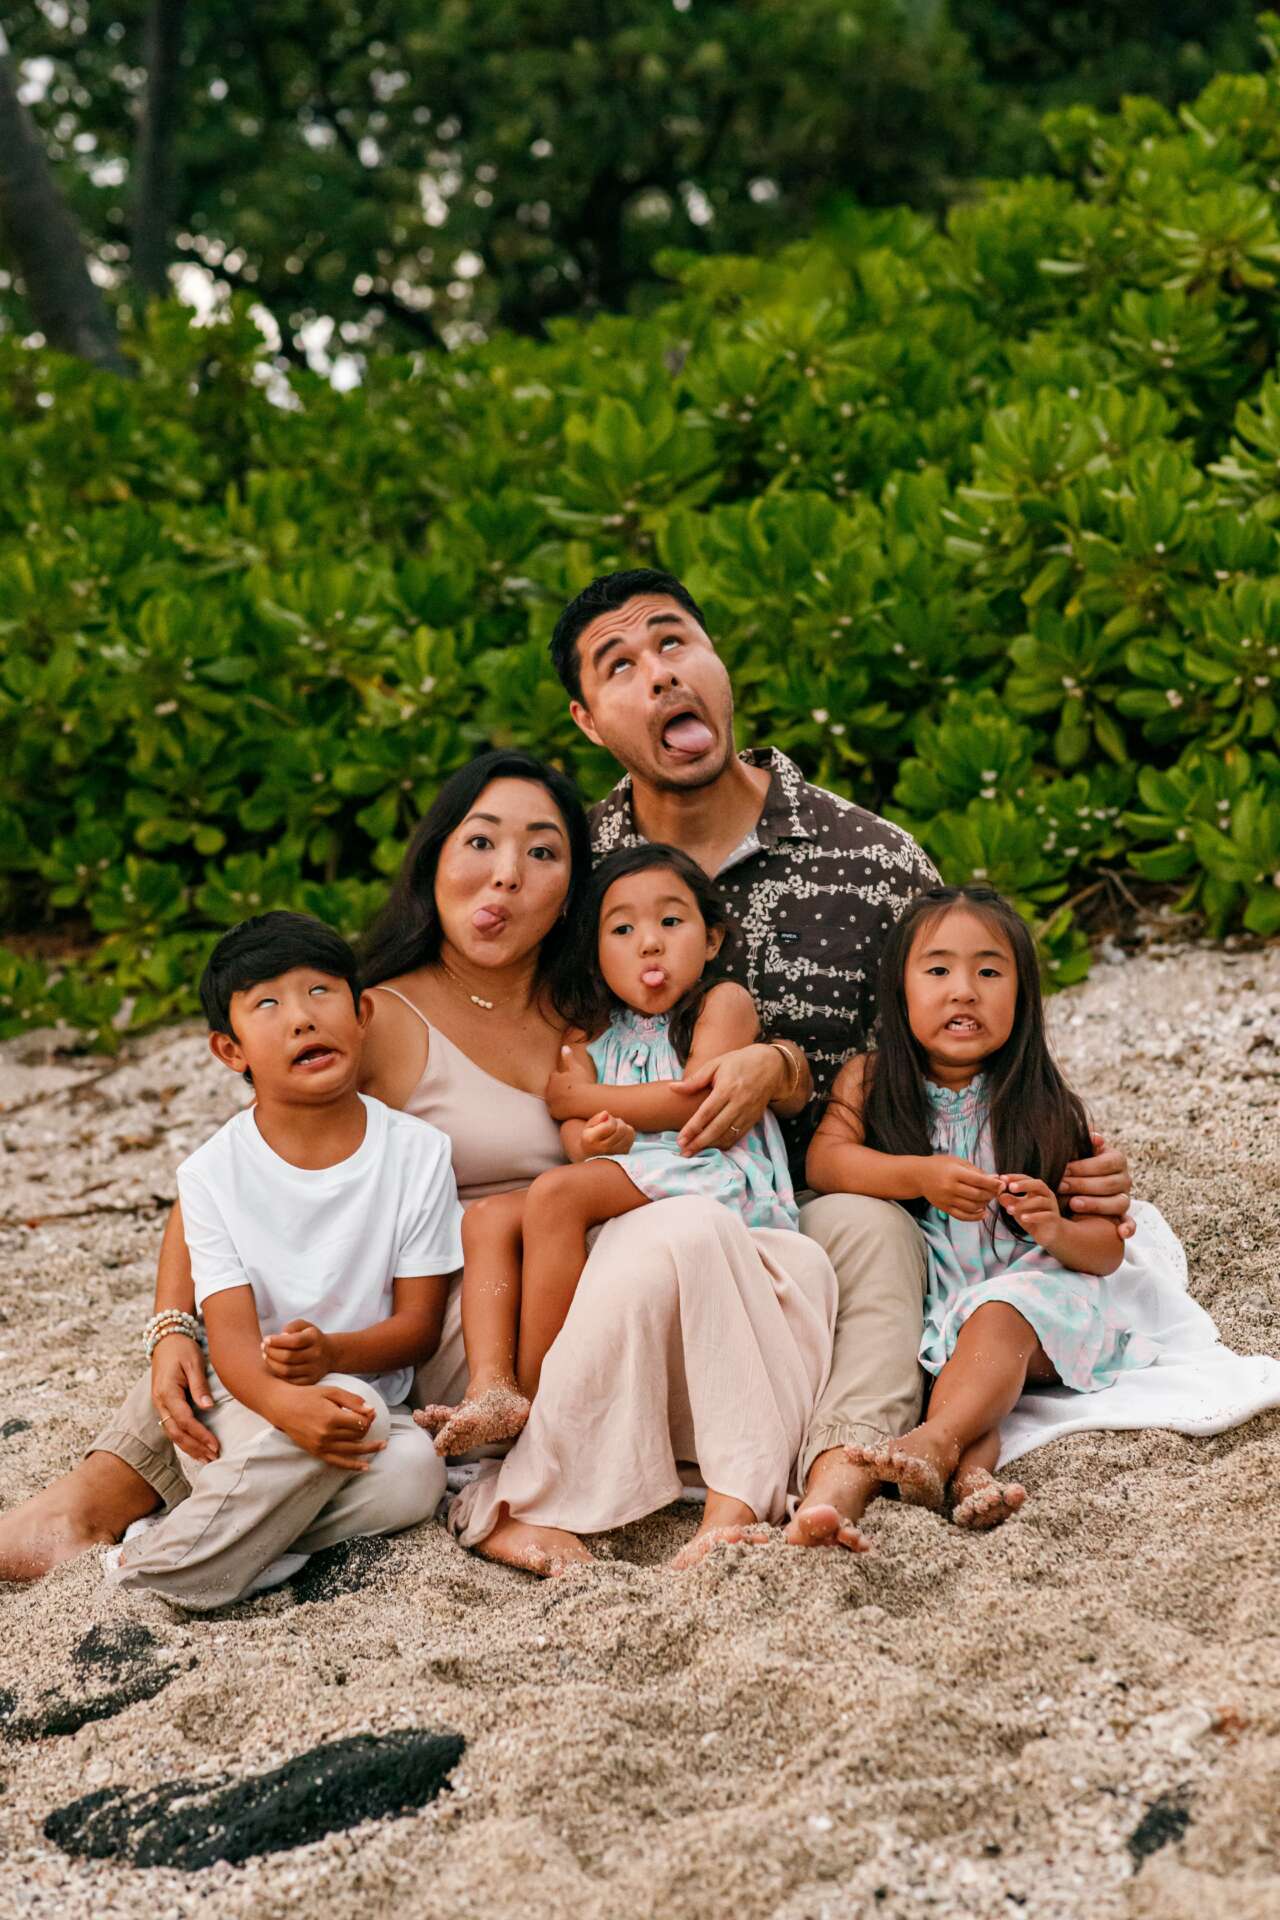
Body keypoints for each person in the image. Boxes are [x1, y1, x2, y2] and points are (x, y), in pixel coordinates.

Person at [0, 749, 826, 1579]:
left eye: (542, 852)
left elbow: (716, 1073)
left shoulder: (601, 1003)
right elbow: (235, 1170)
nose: (507, 874)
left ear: (572, 890)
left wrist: (779, 1062)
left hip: (626, 1280)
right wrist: (171, 1324)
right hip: (476, 1313)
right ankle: (95, 1501)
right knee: (678, 1233)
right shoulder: (379, 1016)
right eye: (481, 842)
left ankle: (691, 1485)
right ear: (434, 859)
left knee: (764, 1253)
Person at [532, 567, 1136, 1554]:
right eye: (621, 665)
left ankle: (839, 1474)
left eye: (674, 641)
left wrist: (1077, 1164)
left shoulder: (873, 860)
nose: (660, 674)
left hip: (818, 1202)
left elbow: (969, 1042)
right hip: (634, 1196)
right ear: (588, 721)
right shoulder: (570, 870)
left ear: (718, 661)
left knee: (870, 1228)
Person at [109, 911, 461, 1608]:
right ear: (230, 1050)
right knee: (357, 1408)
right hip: (239, 1407)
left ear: (361, 1015)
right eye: (267, 1004)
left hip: (361, 1411)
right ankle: (162, 1573)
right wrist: (285, 1404)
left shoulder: (418, 1152)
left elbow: (419, 1327)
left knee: (418, 1472)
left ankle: (218, 1542)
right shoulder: (212, 1174)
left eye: (320, 992)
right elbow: (233, 1345)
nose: (302, 1018)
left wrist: (334, 1352)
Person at [418, 843, 805, 1456]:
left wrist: (580, 1098)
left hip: (707, 1170)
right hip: (626, 1175)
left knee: (557, 1194)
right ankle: (491, 1386)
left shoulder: (721, 1003)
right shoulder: (591, 1030)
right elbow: (574, 1136)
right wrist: (590, 1136)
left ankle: (542, 1400)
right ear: (596, 951)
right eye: (622, 930)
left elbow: (694, 1102)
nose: (649, 944)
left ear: (711, 939)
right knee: (487, 1217)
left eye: (671, 922)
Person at [808, 886, 1160, 1529]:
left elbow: (1105, 1251)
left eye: (990, 973)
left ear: (1023, 997)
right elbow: (825, 1162)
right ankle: (971, 1473)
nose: (964, 992)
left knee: (997, 1316)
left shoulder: (1043, 1104)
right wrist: (918, 1175)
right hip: (943, 1302)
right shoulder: (870, 1079)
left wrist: (1052, 1227)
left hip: (1039, 1310)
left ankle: (933, 1442)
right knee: (965, 1361)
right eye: (938, 970)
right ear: (900, 990)